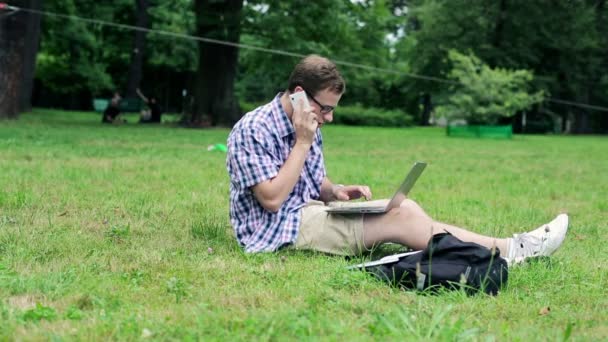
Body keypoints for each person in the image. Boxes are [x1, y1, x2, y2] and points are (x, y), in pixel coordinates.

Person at [226, 54, 568, 265]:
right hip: (272, 231)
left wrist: (338, 192)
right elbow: (271, 200)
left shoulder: (307, 121)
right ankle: (513, 250)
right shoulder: (254, 129)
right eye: (325, 108)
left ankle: (508, 248)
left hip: (306, 212)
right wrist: (302, 143)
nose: (328, 117)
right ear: (300, 94)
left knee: (406, 208)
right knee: (400, 220)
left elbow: (314, 183)